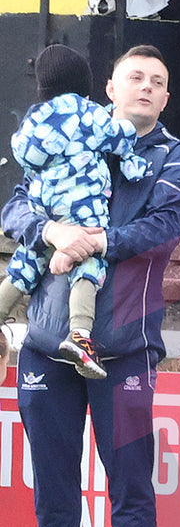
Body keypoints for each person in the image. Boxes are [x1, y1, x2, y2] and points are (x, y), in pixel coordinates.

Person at [0, 44, 180, 527]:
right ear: (108, 89)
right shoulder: (68, 132)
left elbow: (167, 224)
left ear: (165, 97)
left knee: (130, 476)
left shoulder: (174, 157)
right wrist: (52, 232)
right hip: (46, 343)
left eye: (157, 81)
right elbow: (14, 207)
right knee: (54, 474)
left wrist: (98, 240)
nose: (146, 86)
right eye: (133, 77)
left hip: (125, 347)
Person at [1, 43, 148, 379]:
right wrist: (129, 144)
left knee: (26, 262)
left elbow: (22, 172)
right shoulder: (87, 112)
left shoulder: (34, 120)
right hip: (81, 208)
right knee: (88, 263)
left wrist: (49, 233)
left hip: (44, 205)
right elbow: (116, 134)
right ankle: (80, 335)